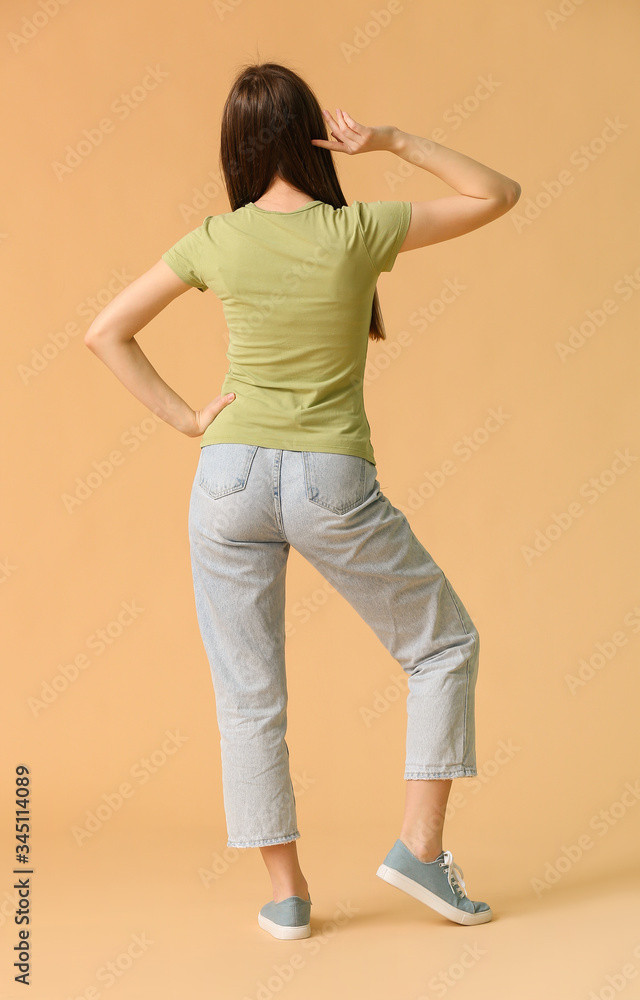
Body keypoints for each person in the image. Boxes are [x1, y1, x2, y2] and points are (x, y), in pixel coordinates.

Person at [84, 61, 521, 940]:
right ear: (315, 135)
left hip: (229, 476)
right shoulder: (357, 228)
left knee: (248, 696)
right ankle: (419, 851)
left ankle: (287, 898)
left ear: (237, 146)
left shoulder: (215, 237)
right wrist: (393, 141)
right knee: (444, 646)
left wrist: (184, 418)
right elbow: (495, 193)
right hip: (330, 477)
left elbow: (106, 332)